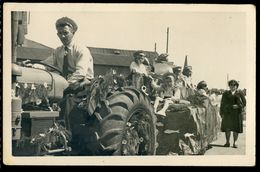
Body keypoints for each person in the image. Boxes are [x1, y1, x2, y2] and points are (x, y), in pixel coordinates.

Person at [42, 17, 94, 131]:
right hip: (65, 85)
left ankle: (65, 135)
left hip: (83, 85)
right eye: (59, 33)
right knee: (44, 101)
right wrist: (33, 66)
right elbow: (46, 64)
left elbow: (81, 73)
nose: (62, 36)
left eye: (65, 33)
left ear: (73, 33)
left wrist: (64, 85)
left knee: (67, 102)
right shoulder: (58, 51)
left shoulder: (81, 50)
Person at [220, 80, 246, 148]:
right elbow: (222, 103)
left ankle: (235, 142)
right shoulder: (225, 93)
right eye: (231, 85)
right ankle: (227, 142)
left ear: (236, 86)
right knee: (227, 128)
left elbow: (244, 103)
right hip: (227, 114)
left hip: (237, 114)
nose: (232, 86)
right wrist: (221, 113)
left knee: (235, 129)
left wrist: (238, 106)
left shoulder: (240, 93)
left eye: (234, 85)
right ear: (229, 86)